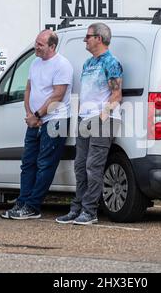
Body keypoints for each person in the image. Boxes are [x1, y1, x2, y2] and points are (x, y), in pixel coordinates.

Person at [0, 30, 73, 220]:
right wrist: (29, 113)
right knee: (28, 163)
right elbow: (29, 89)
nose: (36, 47)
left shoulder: (62, 65)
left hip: (55, 120)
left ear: (52, 46)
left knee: (45, 164)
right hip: (34, 120)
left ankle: (33, 206)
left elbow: (58, 95)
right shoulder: (34, 63)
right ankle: (23, 201)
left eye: (40, 44)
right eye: (36, 42)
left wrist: (39, 114)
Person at [56, 23, 123, 225]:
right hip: (85, 118)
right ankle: (77, 209)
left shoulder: (111, 63)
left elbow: (116, 94)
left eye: (88, 36)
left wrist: (102, 115)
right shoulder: (87, 63)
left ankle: (90, 211)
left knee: (94, 166)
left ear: (99, 39)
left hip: (103, 119)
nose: (85, 40)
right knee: (80, 166)